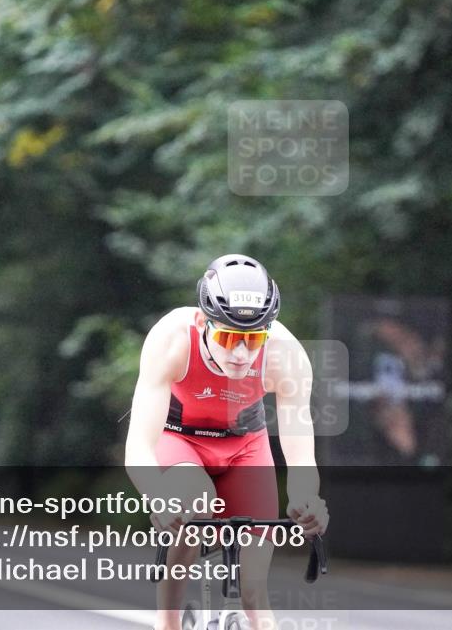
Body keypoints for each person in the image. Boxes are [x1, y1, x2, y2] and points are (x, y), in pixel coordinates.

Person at [125, 254, 329, 630]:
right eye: (228, 337)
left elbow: (301, 456)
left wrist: (307, 500)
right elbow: (138, 445)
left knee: (254, 592)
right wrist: (157, 496)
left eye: (252, 340)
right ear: (203, 322)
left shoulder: (287, 355)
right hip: (180, 439)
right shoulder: (171, 339)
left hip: (244, 446)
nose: (240, 354)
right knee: (191, 497)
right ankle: (167, 621)